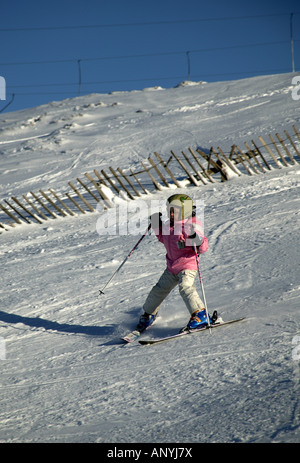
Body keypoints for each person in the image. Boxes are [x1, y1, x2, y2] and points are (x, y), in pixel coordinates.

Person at [136, 194, 217, 333]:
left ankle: (201, 315)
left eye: (176, 210)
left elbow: (202, 248)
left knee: (185, 287)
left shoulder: (191, 224)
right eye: (170, 210)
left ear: (185, 210)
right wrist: (157, 224)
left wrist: (196, 239)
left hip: (187, 265)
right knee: (159, 289)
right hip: (172, 266)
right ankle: (149, 313)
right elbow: (163, 238)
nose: (172, 214)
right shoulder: (170, 225)